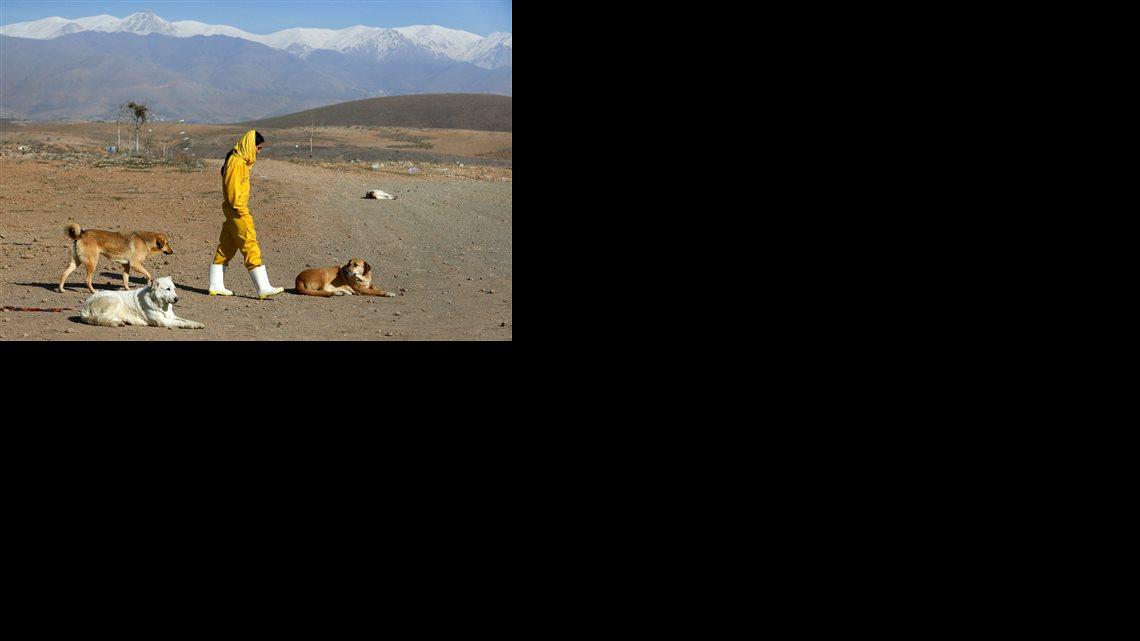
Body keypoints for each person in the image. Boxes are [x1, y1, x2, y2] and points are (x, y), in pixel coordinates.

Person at [207, 130, 285, 298]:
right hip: (238, 212)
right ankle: (263, 287)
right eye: (258, 147)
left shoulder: (238, 161)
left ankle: (215, 285)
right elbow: (234, 194)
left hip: (232, 212)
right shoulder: (236, 163)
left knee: (226, 247)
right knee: (250, 245)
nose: (259, 151)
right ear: (250, 145)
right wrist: (242, 212)